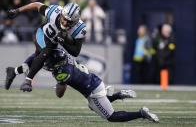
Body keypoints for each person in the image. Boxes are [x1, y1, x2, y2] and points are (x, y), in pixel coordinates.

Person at [5, 48, 159, 123]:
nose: (47, 64)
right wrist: (25, 65)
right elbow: (41, 53)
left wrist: (59, 84)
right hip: (94, 81)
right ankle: (118, 95)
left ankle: (141, 113)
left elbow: (60, 94)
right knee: (94, 106)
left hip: (92, 91)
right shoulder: (64, 55)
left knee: (111, 117)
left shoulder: (62, 72)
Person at [6, 2, 86, 92]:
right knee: (46, 53)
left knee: (40, 57)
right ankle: (27, 81)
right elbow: (36, 5)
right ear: (61, 14)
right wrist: (18, 10)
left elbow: (76, 52)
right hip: (42, 33)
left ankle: (14, 71)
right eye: (64, 19)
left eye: (69, 22)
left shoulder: (79, 29)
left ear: (75, 22)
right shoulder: (54, 12)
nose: (65, 22)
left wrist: (63, 42)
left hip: (53, 42)